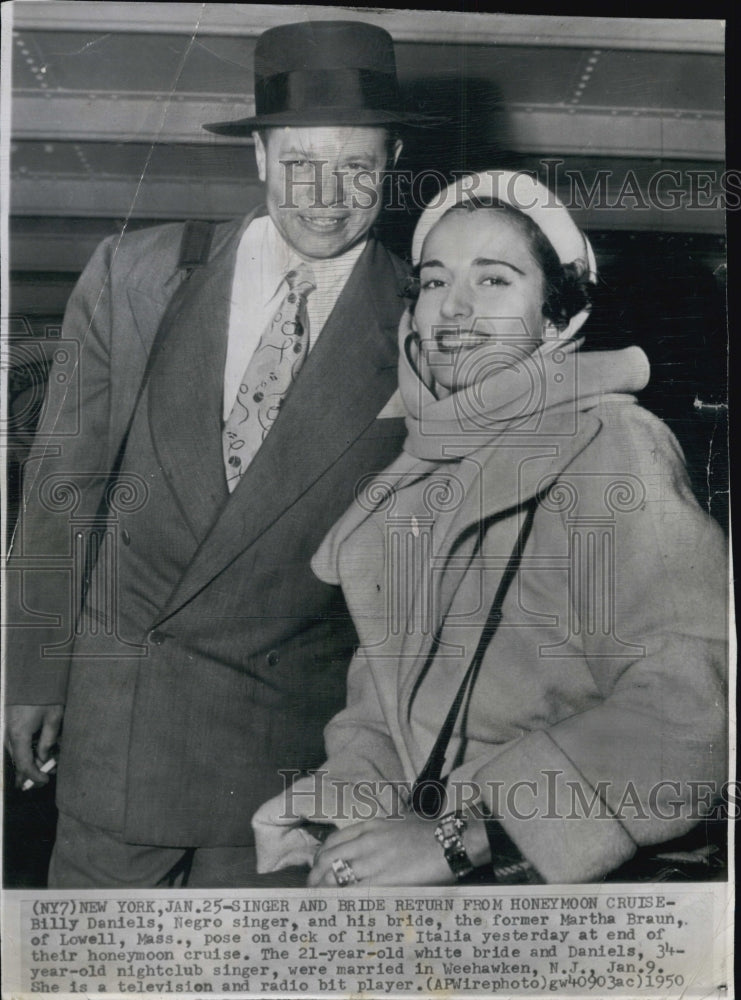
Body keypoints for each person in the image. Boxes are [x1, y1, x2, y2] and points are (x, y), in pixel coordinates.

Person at [4, 19, 431, 888]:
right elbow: (61, 490)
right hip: (117, 737)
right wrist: (28, 674)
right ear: (260, 158)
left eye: (356, 166)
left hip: (286, 768)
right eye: (301, 163)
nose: (326, 194)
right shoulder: (138, 272)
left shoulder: (424, 319)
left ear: (389, 166)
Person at [253, 170, 728, 886]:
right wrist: (337, 804)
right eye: (435, 281)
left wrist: (458, 837)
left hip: (571, 875)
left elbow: (692, 709)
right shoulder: (414, 479)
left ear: (556, 317)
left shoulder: (611, 443)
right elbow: (389, 711)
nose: (454, 309)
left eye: (495, 280)